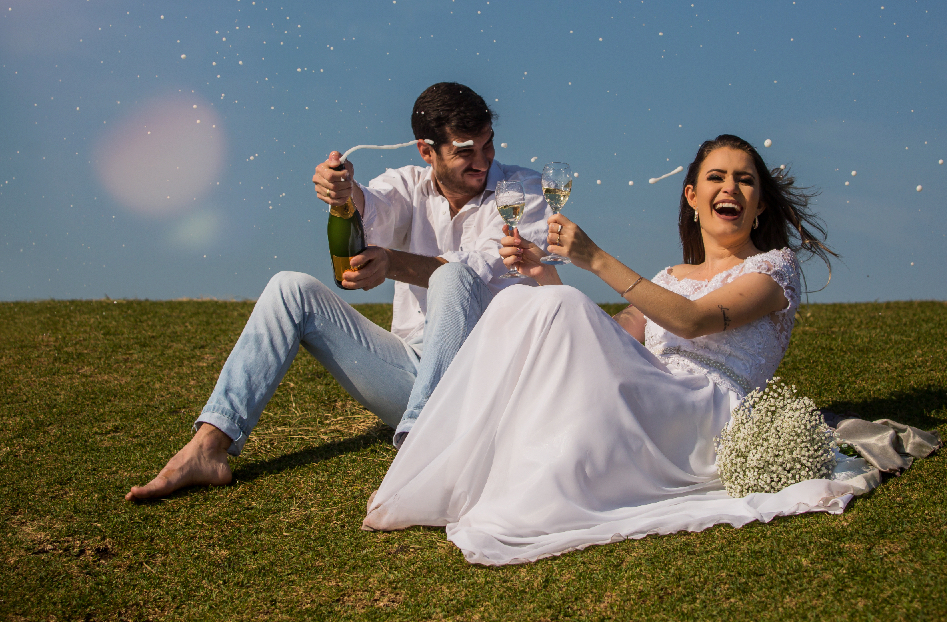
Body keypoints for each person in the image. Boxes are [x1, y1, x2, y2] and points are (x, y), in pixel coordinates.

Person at [362, 134, 853, 565]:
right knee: (520, 299)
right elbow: (605, 339)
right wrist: (543, 275)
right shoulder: (669, 278)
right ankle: (449, 463)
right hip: (653, 393)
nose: (731, 188)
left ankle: (452, 455)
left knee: (559, 305)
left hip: (706, 414)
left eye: (745, 181)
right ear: (692, 195)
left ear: (760, 203)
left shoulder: (772, 268)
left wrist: (594, 259)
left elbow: (693, 320)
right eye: (717, 178)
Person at [126, 82, 548, 501]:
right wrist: (342, 192)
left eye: (488, 145)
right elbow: (374, 207)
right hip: (414, 374)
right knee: (289, 287)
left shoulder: (524, 190)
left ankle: (421, 451)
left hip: (488, 378)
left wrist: (392, 263)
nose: (482, 161)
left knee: (453, 276)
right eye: (466, 151)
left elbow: (483, 267)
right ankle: (209, 446)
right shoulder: (407, 184)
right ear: (426, 150)